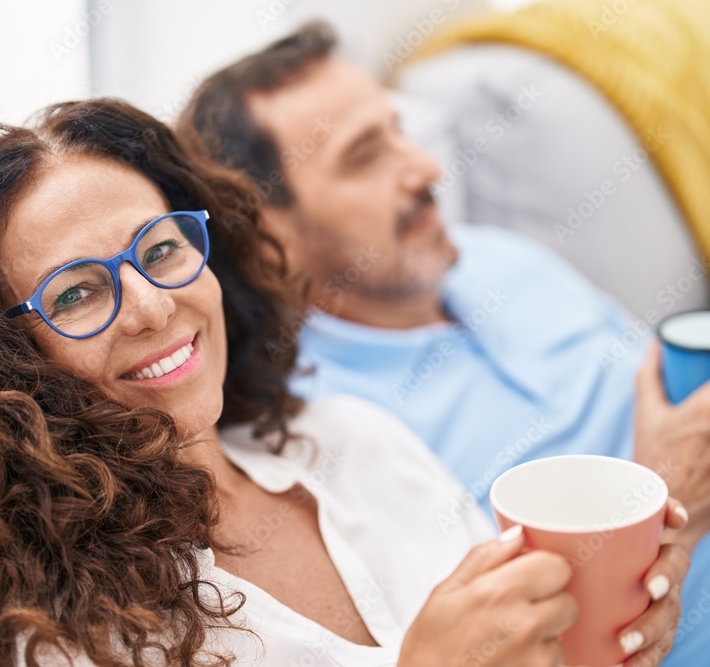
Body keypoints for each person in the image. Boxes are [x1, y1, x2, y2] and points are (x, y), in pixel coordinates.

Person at [0, 99, 686, 666]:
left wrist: (623, 618)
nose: (155, 307)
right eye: (79, 292)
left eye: (160, 250)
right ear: (12, 357)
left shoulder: (352, 440)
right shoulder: (75, 639)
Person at [178, 20, 710, 666]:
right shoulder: (328, 436)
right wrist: (661, 492)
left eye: (399, 130)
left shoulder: (504, 260)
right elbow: (517, 636)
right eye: (365, 154)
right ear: (267, 234)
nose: (425, 167)